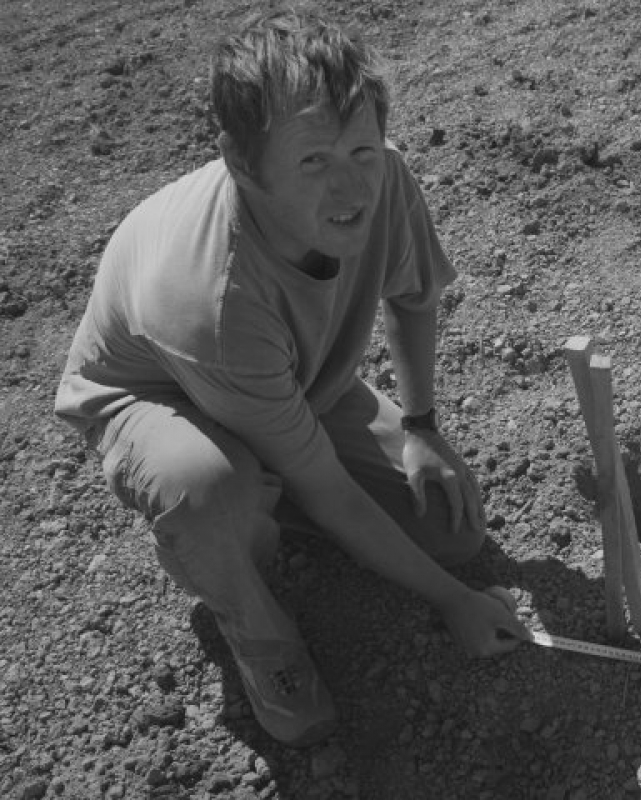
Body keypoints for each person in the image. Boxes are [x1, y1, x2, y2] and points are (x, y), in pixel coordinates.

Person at [53, 9, 529, 747]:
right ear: (241, 163)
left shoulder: (384, 177)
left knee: (450, 530)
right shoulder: (210, 300)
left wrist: (423, 428)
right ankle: (253, 621)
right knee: (210, 488)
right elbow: (330, 490)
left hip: (287, 383)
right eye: (312, 161)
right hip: (153, 394)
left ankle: (273, 481)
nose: (350, 188)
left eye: (361, 149)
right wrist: (453, 602)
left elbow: (413, 297)